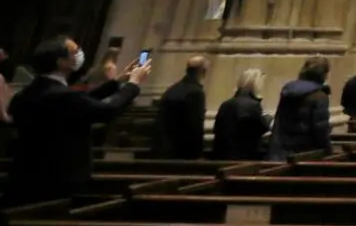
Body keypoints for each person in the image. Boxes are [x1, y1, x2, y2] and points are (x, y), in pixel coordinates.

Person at [3, 36, 150, 207]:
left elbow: (80, 101)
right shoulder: (63, 96)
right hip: (59, 179)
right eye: (74, 52)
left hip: (26, 174)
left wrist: (119, 81)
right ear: (61, 62)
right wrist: (133, 84)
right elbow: (107, 111)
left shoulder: (27, 93)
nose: (79, 54)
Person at [266, 56, 332, 160]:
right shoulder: (319, 96)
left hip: (281, 151)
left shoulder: (288, 91)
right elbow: (320, 129)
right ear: (323, 74)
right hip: (305, 153)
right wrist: (328, 151)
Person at [154, 56, 209, 159]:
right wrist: (198, 154)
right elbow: (195, 126)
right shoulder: (196, 93)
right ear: (203, 71)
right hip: (182, 151)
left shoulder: (172, 89)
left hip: (164, 147)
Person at [212, 68, 271, 160]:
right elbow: (259, 128)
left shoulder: (226, 104)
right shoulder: (252, 105)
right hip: (243, 157)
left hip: (222, 156)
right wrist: (267, 119)